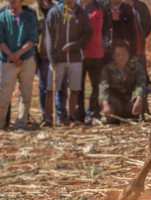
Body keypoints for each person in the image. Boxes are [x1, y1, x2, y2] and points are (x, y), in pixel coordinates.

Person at [44, 0, 92, 126]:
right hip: (57, 59)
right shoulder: (54, 12)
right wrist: (52, 58)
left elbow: (88, 33)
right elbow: (49, 36)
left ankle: (70, 117)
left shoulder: (81, 13)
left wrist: (75, 45)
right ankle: (48, 119)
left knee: (74, 89)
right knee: (51, 89)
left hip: (75, 59)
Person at [0, 0, 37, 130]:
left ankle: (21, 124)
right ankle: (1, 123)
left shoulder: (30, 17)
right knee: (5, 94)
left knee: (26, 94)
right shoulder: (2, 17)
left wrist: (17, 54)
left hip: (26, 60)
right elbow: (1, 40)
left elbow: (33, 39)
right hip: (8, 60)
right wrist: (13, 56)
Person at [76, 0, 111, 125]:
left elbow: (107, 26)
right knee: (78, 87)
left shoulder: (101, 8)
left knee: (96, 86)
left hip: (96, 54)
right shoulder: (75, 7)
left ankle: (94, 113)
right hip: (78, 54)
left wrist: (98, 39)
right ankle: (78, 115)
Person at [99, 41, 146, 123]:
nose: (121, 57)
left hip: (130, 101)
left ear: (128, 55)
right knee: (107, 101)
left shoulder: (136, 67)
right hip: (116, 103)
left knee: (141, 99)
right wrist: (105, 105)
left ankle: (135, 115)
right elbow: (103, 87)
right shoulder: (107, 69)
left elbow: (141, 85)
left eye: (124, 54)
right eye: (118, 54)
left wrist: (139, 99)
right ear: (113, 56)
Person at [121, 0, 151, 94]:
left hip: (139, 43)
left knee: (141, 67)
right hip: (125, 45)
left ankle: (145, 87)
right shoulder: (120, 6)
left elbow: (148, 25)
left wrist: (142, 35)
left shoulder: (141, 6)